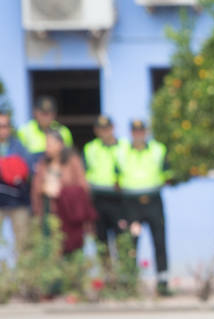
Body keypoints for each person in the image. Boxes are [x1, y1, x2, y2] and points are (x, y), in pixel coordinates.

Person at [119, 120, 172, 296]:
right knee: (131, 244)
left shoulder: (158, 149)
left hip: (153, 200)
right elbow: (115, 176)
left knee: (159, 241)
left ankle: (163, 283)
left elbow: (168, 174)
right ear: (131, 133)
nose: (139, 135)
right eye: (135, 131)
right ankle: (129, 285)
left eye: (142, 131)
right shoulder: (122, 151)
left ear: (146, 132)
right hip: (131, 202)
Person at [31, 130, 94, 256]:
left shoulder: (72, 161)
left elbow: (83, 188)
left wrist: (61, 191)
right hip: (49, 213)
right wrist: (44, 190)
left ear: (60, 144)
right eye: (46, 144)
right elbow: (36, 188)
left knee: (71, 250)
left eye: (50, 144)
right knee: (51, 249)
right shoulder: (43, 163)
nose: (47, 148)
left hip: (69, 215)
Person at [83, 115, 126, 263]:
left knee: (122, 240)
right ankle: (108, 278)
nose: (105, 132)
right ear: (96, 131)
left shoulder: (125, 146)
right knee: (101, 241)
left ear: (113, 128)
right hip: (98, 199)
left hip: (119, 199)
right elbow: (84, 174)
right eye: (101, 129)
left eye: (107, 128)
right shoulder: (90, 148)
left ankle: (125, 278)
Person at [0, 111, 32, 253]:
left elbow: (28, 170)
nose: (2, 129)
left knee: (22, 243)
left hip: (17, 202)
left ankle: (22, 275)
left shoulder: (18, 146)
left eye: (5, 126)